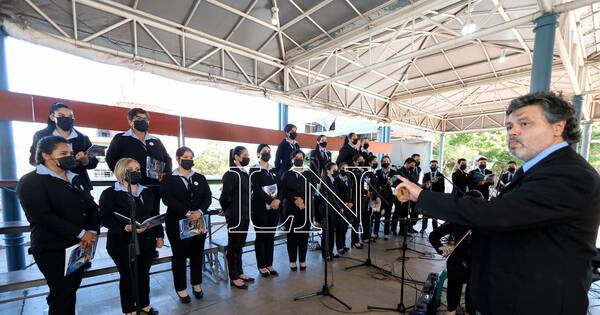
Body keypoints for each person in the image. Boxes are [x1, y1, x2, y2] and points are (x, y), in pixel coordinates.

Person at [397, 92, 600, 315]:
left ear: (557, 127)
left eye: (524, 123)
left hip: (540, 302)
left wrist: (423, 196)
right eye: (509, 126)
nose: (513, 131)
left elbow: (499, 214)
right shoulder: (542, 169)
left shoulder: (569, 173)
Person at [17, 136, 100, 315]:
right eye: (63, 153)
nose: (69, 156)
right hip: (52, 248)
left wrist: (91, 231)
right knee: (61, 295)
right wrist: (80, 233)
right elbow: (42, 216)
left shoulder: (74, 177)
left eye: (70, 153)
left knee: (70, 292)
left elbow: (92, 207)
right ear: (46, 156)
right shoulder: (31, 181)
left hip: (79, 246)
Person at [100, 158, 163, 315]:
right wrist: (125, 227)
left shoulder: (147, 191)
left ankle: (144, 304)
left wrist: (159, 235)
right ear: (122, 171)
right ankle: (129, 309)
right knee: (128, 276)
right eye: (132, 169)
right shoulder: (110, 193)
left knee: (143, 273)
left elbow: (155, 214)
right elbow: (105, 218)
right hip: (122, 243)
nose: (136, 172)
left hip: (146, 241)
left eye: (138, 169)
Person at [160, 147, 212, 303]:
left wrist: (199, 212)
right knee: (180, 256)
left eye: (191, 156)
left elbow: (207, 197)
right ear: (178, 159)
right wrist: (189, 213)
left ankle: (197, 284)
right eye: (186, 157)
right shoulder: (169, 178)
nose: (189, 159)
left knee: (197, 254)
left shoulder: (200, 177)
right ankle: (181, 289)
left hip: (198, 221)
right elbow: (167, 199)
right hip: (177, 222)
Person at [428, 190, 483, 315]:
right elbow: (433, 236)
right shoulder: (457, 220)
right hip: (457, 262)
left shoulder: (485, 222)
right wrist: (440, 247)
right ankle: (452, 309)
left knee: (472, 299)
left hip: (476, 263)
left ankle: (470, 310)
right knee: (453, 297)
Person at [105, 108, 172, 210]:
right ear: (130, 121)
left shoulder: (156, 141)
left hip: (154, 187)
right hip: (130, 187)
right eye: (138, 118)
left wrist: (165, 173)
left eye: (145, 119)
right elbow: (110, 159)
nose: (142, 121)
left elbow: (167, 159)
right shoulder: (120, 138)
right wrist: (123, 176)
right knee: (132, 215)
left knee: (152, 216)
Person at [29, 102, 99, 191]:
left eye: (70, 116)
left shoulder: (83, 138)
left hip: (79, 185)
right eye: (61, 115)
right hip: (50, 184)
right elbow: (33, 160)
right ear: (52, 117)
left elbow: (93, 163)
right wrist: (52, 164)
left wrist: (85, 161)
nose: (66, 118)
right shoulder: (41, 136)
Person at [219, 146, 255, 289]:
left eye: (247, 155)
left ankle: (240, 272)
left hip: (245, 215)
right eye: (244, 155)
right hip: (235, 216)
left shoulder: (244, 173)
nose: (247, 157)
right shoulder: (231, 174)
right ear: (237, 157)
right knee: (233, 246)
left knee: (240, 245)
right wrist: (228, 211)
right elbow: (224, 197)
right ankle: (233, 276)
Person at [249, 144, 281, 278]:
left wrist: (278, 200)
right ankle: (262, 265)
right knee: (261, 236)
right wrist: (271, 200)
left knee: (270, 236)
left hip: (274, 209)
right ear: (258, 154)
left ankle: (269, 263)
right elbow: (256, 190)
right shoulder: (254, 170)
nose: (267, 153)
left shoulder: (274, 169)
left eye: (269, 151)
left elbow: (280, 186)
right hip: (259, 208)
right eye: (264, 151)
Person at [280, 149, 312, 271]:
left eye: (301, 157)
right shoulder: (286, 173)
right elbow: (283, 190)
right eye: (296, 157)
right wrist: (295, 200)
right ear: (292, 159)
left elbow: (312, 189)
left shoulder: (309, 173)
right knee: (292, 236)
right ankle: (292, 261)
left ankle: (302, 260)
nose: (299, 158)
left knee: (304, 235)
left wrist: (303, 200)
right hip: (291, 209)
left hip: (305, 208)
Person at [319, 162, 341, 259]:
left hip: (334, 210)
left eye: (337, 169)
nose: (336, 171)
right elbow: (325, 197)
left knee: (332, 232)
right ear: (328, 171)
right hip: (327, 210)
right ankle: (325, 253)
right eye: (334, 170)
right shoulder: (325, 180)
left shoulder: (334, 181)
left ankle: (330, 252)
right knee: (327, 233)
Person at [309, 135, 331, 224]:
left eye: (325, 140)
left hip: (326, 178)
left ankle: (324, 216)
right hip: (317, 178)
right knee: (317, 197)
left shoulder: (328, 153)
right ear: (318, 142)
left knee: (325, 197)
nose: (324, 141)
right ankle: (317, 218)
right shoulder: (314, 153)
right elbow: (312, 166)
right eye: (322, 140)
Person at [393, 157, 418, 235]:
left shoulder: (411, 172)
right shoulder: (398, 171)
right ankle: (393, 229)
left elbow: (414, 181)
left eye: (414, 166)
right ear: (407, 163)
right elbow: (394, 182)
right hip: (399, 195)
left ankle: (403, 231)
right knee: (397, 212)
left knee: (405, 213)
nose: (413, 167)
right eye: (412, 165)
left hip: (408, 195)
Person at [334, 162, 354, 254]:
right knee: (339, 227)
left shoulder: (350, 179)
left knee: (345, 227)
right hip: (341, 206)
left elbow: (352, 192)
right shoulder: (336, 180)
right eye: (342, 168)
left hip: (349, 206)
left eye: (346, 168)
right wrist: (343, 204)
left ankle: (344, 244)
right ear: (339, 169)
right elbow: (336, 195)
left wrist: (351, 203)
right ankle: (339, 246)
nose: (344, 170)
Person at [374, 156, 396, 240]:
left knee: (388, 215)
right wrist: (379, 186)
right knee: (377, 215)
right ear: (381, 162)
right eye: (383, 161)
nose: (385, 162)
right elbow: (375, 184)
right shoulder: (377, 172)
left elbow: (396, 184)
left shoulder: (394, 172)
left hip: (389, 197)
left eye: (387, 161)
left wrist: (391, 184)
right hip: (379, 197)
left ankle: (386, 233)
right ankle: (375, 233)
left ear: (390, 162)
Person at [421, 159, 445, 233]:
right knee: (425, 213)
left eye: (435, 165)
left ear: (437, 166)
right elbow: (423, 186)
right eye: (432, 165)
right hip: (427, 197)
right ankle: (423, 228)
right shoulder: (426, 175)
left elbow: (442, 188)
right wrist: (425, 186)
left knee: (435, 214)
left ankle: (435, 229)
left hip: (436, 197)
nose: (433, 166)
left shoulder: (440, 176)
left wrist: (440, 198)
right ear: (429, 166)